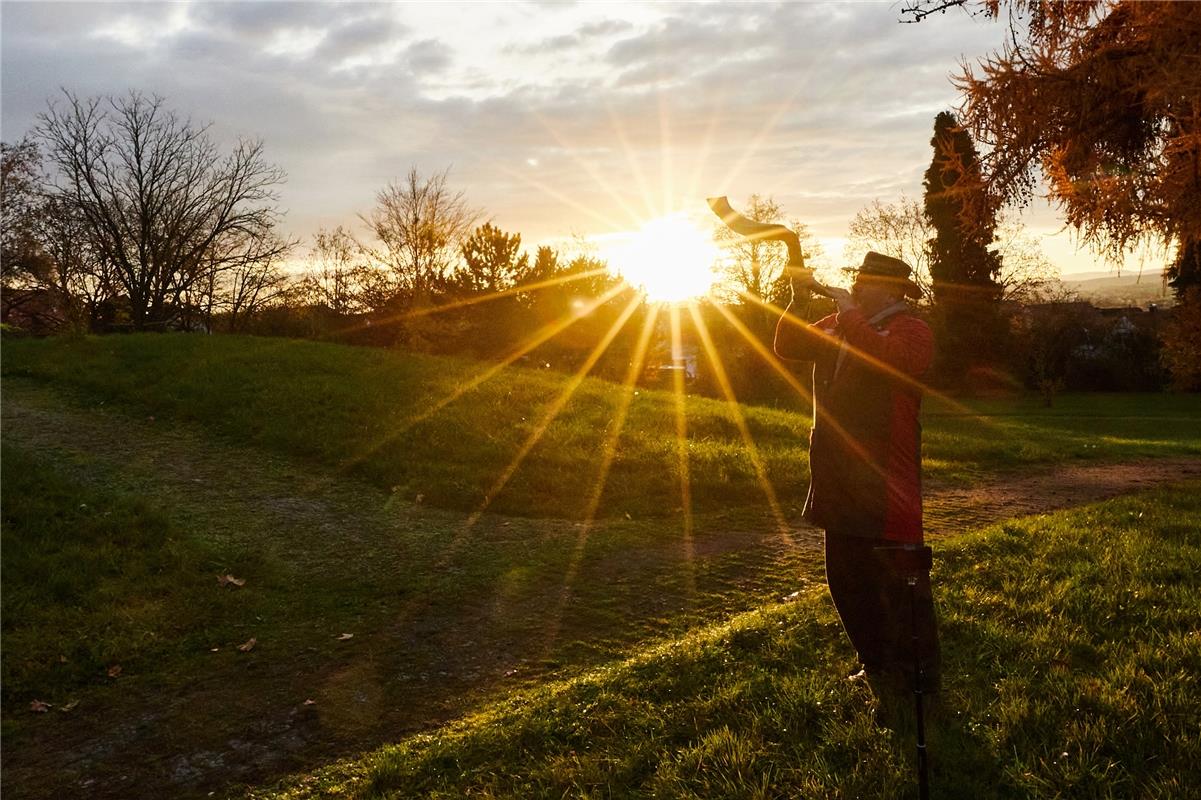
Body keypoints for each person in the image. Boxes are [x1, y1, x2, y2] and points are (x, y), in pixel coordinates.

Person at [773, 251, 940, 695]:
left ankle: (916, 676)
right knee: (846, 579)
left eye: (864, 283)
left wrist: (848, 313)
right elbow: (788, 346)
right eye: (857, 283)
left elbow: (891, 360)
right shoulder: (837, 324)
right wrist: (795, 299)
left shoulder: (912, 330)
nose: (856, 288)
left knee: (899, 584)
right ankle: (873, 664)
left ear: (893, 290)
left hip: (886, 478)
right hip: (835, 471)